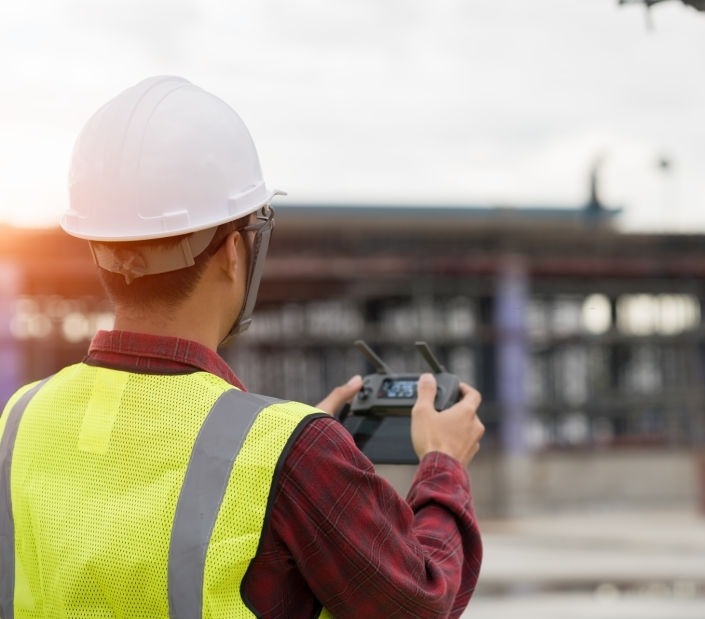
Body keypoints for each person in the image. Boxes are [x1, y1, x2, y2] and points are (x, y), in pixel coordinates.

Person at [0, 75, 486, 617]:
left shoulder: (19, 422)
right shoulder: (293, 454)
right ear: (234, 251)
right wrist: (443, 461)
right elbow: (422, 601)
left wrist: (291, 445)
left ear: (100, 249)